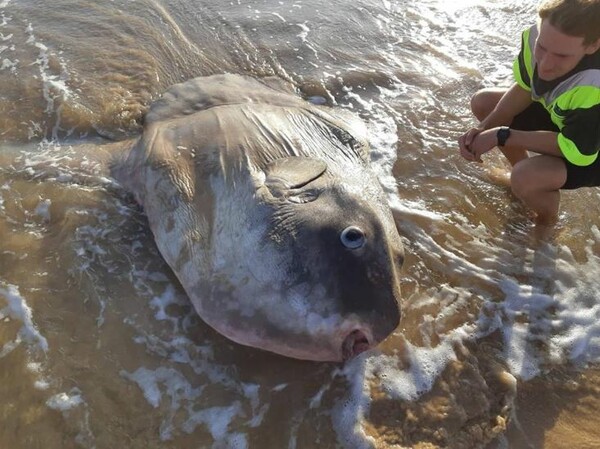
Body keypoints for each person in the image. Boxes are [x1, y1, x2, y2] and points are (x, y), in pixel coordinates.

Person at [458, 0, 600, 226]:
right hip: (569, 119)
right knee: (484, 103)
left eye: (562, 56)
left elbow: (578, 151)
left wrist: (501, 134)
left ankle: (547, 222)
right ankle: (524, 185)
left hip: (591, 148)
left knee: (525, 177)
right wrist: (484, 128)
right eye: (542, 48)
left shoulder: (595, 84)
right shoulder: (536, 34)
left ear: (593, 46)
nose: (544, 65)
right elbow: (526, 88)